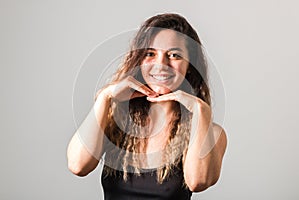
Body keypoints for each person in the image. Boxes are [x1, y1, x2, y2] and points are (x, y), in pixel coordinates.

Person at [67, 13, 227, 200]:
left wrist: (201, 111)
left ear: (190, 65)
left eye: (174, 55)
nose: (161, 64)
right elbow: (78, 166)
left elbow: (198, 182)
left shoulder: (212, 133)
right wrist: (105, 97)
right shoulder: (116, 120)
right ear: (139, 60)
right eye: (150, 54)